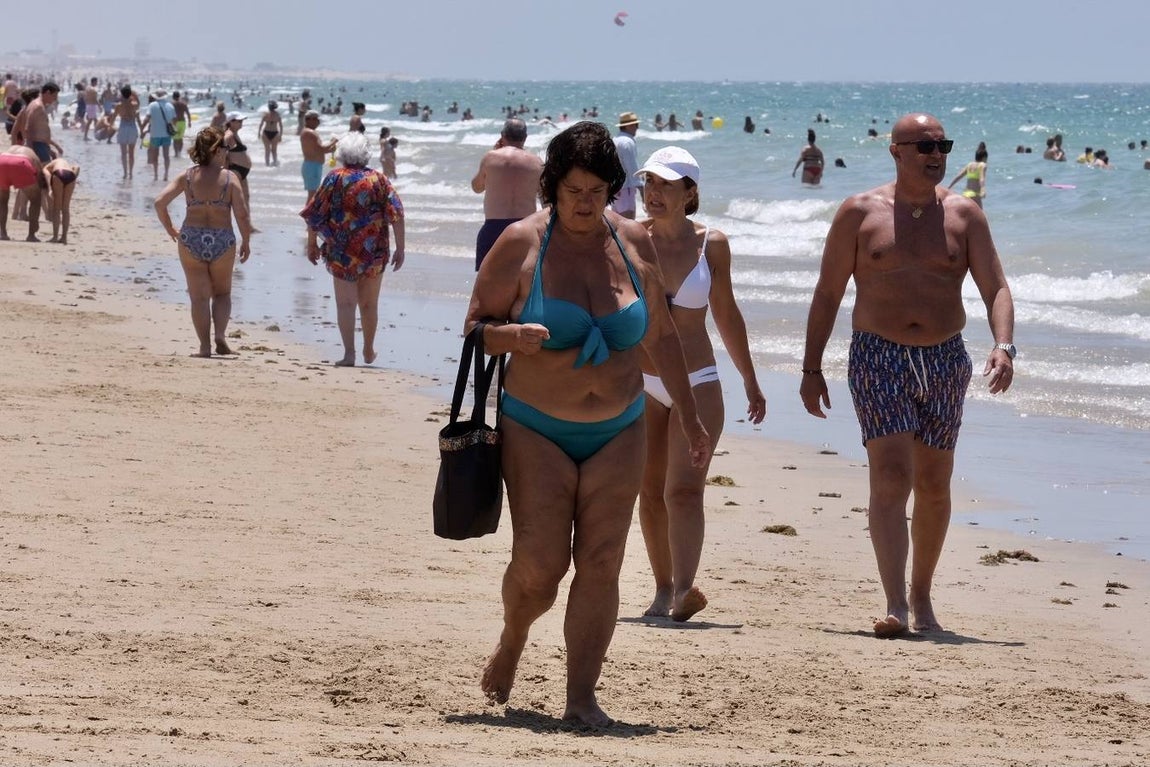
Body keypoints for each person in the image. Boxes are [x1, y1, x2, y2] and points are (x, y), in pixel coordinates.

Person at [467, 121, 710, 727]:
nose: (584, 203)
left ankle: (581, 696)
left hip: (619, 427)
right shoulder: (522, 243)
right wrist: (510, 335)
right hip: (537, 426)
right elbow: (475, 327)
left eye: (597, 191)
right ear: (553, 185)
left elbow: (660, 336)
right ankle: (514, 637)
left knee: (602, 561)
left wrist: (691, 416)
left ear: (613, 190)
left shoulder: (632, 244)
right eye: (573, 190)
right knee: (542, 566)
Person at [799, 112, 1016, 639]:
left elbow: (996, 288)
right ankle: (895, 603)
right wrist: (811, 368)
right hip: (879, 355)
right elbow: (828, 293)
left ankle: (922, 596)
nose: (935, 153)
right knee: (892, 475)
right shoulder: (858, 213)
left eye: (941, 144)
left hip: (944, 357)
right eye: (923, 145)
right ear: (896, 151)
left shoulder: (965, 216)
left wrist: (1004, 345)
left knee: (935, 482)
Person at [635, 146, 766, 622]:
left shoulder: (713, 243)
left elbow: (727, 314)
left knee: (684, 490)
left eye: (665, 184)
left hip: (698, 380)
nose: (653, 192)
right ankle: (662, 588)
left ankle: (685, 589)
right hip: (641, 380)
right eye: (649, 182)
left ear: (690, 191)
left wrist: (750, 379)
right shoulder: (630, 238)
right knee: (648, 491)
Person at [300, 132, 405, 367]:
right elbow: (397, 213)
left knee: (345, 304)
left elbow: (314, 214)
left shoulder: (334, 178)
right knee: (369, 304)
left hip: (341, 250)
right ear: (365, 155)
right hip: (374, 250)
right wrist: (401, 248)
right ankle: (368, 348)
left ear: (341, 155)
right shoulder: (378, 179)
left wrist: (311, 244)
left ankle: (349, 354)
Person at [153, 127, 253, 358]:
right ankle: (220, 336)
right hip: (221, 238)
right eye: (225, 148)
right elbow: (242, 214)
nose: (227, 153)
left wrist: (170, 228)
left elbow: (160, 202)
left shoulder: (187, 176)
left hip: (192, 238)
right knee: (223, 293)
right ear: (217, 150)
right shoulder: (230, 178)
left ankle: (204, 347)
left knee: (199, 297)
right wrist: (246, 240)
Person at [470, 118, 542, 271]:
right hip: (526, 228)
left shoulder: (491, 157)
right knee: (523, 282)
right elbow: (546, 200)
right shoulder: (537, 163)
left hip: (494, 227)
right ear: (525, 138)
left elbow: (477, 187)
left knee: (488, 284)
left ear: (502, 135)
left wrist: (495, 152)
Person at [0, 145, 45, 241]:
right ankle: (31, 235)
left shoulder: (12, 148)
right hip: (21, 163)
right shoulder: (34, 156)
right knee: (35, 200)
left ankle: (2, 233)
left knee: (2, 201)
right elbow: (40, 178)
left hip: (2, 160)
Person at [14, 82, 63, 163]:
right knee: (43, 174)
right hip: (38, 146)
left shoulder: (37, 105)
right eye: (54, 96)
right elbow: (27, 128)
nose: (55, 99)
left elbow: (39, 130)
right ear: (47, 93)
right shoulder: (38, 106)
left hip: (41, 146)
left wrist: (53, 147)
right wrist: (31, 150)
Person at [300, 110, 338, 204]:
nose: (318, 122)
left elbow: (318, 150)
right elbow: (321, 148)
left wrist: (330, 149)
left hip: (314, 165)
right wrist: (333, 141)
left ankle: (310, 216)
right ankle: (308, 216)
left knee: (314, 193)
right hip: (312, 166)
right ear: (310, 120)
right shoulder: (309, 133)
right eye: (317, 119)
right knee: (312, 194)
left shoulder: (310, 132)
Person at [40, 156, 80, 244]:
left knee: (56, 208)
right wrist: (74, 178)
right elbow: (77, 167)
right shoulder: (66, 163)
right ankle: (64, 237)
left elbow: (47, 174)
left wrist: (50, 188)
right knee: (66, 209)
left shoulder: (48, 166)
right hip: (71, 175)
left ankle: (55, 237)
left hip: (59, 174)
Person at [222, 112, 253, 219]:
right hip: (235, 169)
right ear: (231, 122)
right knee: (232, 198)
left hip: (241, 170)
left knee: (246, 197)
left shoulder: (235, 133)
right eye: (239, 121)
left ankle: (249, 225)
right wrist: (225, 159)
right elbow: (222, 144)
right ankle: (226, 221)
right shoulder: (229, 133)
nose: (241, 123)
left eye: (242, 121)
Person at [610, 111, 641, 219]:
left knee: (617, 225)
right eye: (636, 125)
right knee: (628, 224)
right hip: (626, 188)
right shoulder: (627, 142)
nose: (637, 128)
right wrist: (642, 189)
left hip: (616, 189)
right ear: (629, 126)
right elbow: (632, 168)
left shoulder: (615, 140)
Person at [141, 89, 176, 181]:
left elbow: (147, 118)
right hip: (166, 134)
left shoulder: (152, 105)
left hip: (155, 134)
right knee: (166, 155)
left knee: (155, 155)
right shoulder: (170, 106)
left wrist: (141, 128)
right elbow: (174, 121)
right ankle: (166, 175)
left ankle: (156, 175)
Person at [947, 141, 988, 208]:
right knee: (980, 217)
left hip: (965, 195)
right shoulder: (982, 165)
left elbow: (958, 176)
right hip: (975, 195)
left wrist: (949, 186)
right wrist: (983, 190)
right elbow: (982, 178)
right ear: (984, 158)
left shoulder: (969, 165)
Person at [114, 85, 141, 179]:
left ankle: (125, 173)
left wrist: (110, 125)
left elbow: (113, 117)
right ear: (130, 94)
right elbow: (139, 103)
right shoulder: (134, 104)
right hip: (132, 127)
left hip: (123, 127)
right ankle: (131, 173)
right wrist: (134, 94)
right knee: (131, 153)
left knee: (123, 153)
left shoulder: (119, 105)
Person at [257, 101, 284, 166]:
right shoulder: (277, 115)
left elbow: (261, 124)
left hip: (267, 132)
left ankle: (268, 164)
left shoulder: (266, 114)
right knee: (273, 150)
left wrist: (259, 133)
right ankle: (273, 163)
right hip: (273, 133)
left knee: (268, 150)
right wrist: (280, 135)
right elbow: (281, 126)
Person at [171, 91, 190, 157]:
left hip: (174, 122)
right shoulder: (183, 104)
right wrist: (189, 122)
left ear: (173, 97)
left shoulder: (171, 104)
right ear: (179, 96)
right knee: (180, 138)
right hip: (182, 122)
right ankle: (179, 152)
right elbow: (188, 113)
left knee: (175, 139)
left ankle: (176, 154)